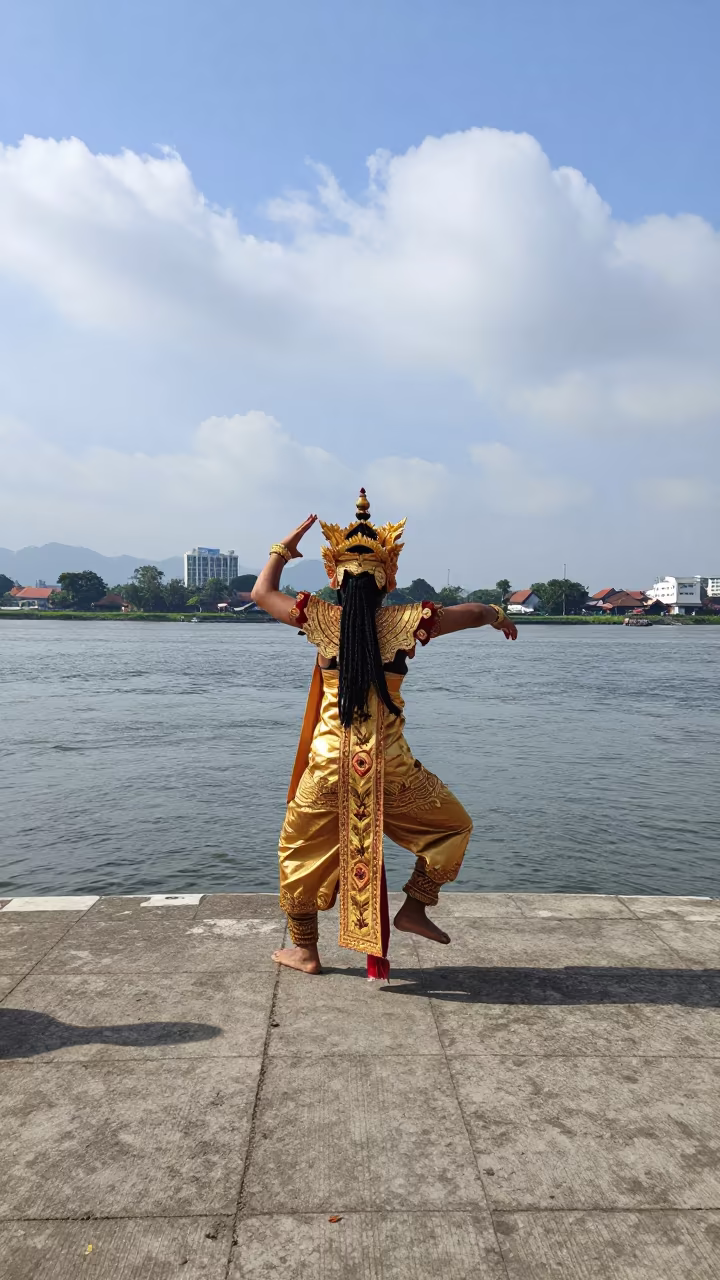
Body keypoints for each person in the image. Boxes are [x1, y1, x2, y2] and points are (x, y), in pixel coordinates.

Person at [252, 489, 517, 978]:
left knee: (299, 855)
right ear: (388, 577)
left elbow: (262, 594)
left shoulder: (318, 618)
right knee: (453, 827)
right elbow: (478, 611)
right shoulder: (409, 621)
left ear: (333, 575)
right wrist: (500, 618)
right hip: (391, 771)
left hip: (329, 769)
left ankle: (306, 952)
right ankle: (416, 906)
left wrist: (283, 548)